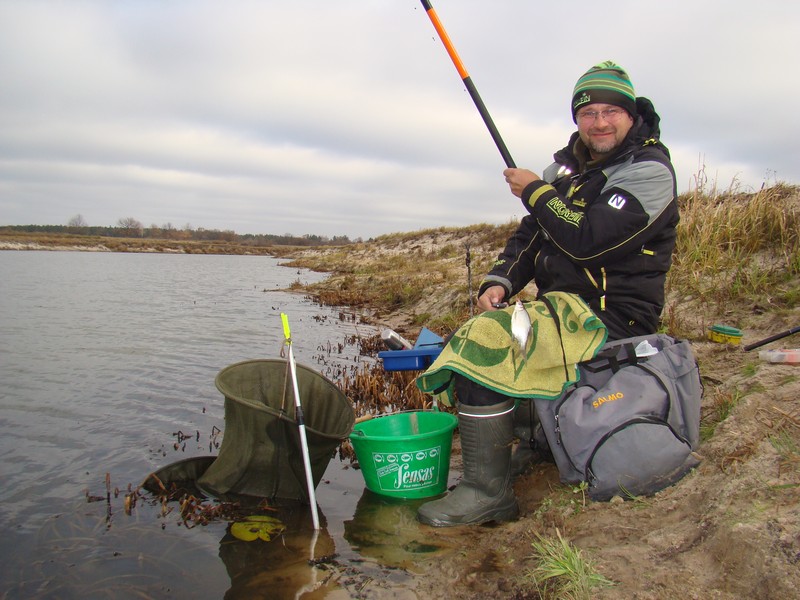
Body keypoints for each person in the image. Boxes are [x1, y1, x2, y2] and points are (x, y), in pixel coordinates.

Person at [417, 61, 679, 527]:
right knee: (489, 331)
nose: (599, 122)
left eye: (610, 112)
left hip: (613, 316)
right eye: (588, 113)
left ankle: (487, 493)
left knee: (483, 344)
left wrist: (536, 191)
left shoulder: (648, 171)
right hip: (560, 309)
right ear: (576, 118)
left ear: (631, 114)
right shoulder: (565, 169)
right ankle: (538, 442)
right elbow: (531, 235)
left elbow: (590, 239)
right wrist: (499, 281)